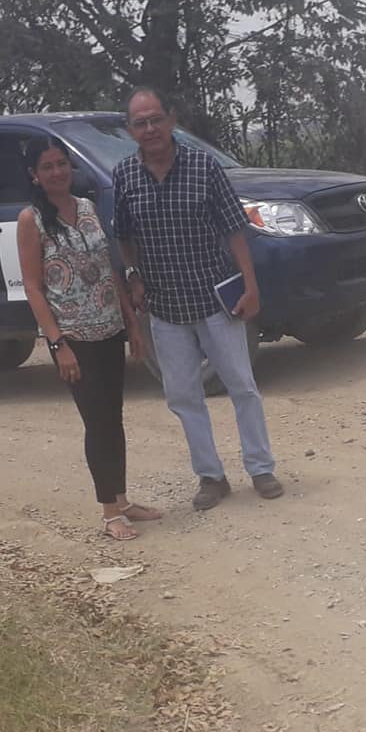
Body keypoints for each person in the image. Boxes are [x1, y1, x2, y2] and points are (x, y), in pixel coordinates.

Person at [113, 87, 284, 511]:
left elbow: (234, 229)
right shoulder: (125, 176)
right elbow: (124, 236)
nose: (150, 129)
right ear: (130, 130)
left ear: (170, 120)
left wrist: (251, 286)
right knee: (183, 396)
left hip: (215, 298)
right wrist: (133, 276)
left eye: (156, 119)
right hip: (164, 306)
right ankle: (210, 476)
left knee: (242, 386)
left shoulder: (203, 166)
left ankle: (261, 468)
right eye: (140, 123)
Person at [16, 135, 162, 540]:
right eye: (47, 167)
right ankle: (109, 513)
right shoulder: (31, 220)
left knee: (113, 416)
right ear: (34, 174)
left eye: (61, 164)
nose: (57, 172)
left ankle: (122, 499)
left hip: (109, 328)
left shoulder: (87, 208)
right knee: (96, 420)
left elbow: (108, 267)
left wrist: (131, 322)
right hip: (73, 337)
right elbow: (33, 287)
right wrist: (57, 343)